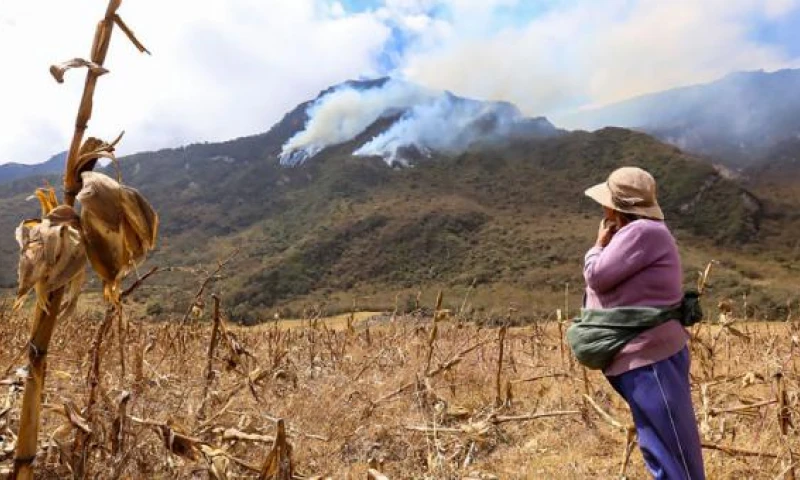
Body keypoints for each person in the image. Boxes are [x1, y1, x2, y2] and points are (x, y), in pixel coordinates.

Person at [580, 166, 705, 479]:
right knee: (663, 444)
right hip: (645, 358)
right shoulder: (634, 234)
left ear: (615, 206)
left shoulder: (643, 232)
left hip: (651, 359)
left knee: (670, 450)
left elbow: (596, 276)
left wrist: (597, 245)